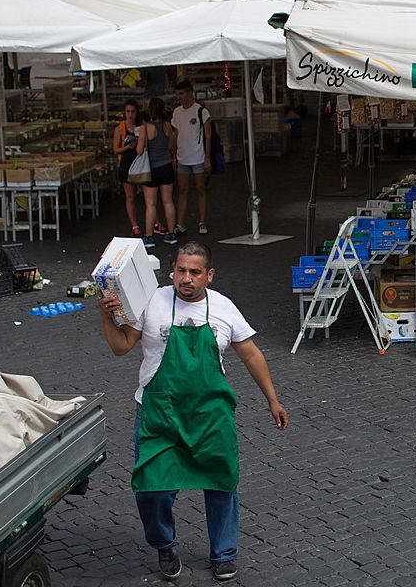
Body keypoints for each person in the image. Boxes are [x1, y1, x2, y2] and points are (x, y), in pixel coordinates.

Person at [97, 241, 288, 582]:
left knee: (222, 483)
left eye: (194, 272)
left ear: (209, 276)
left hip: (210, 415)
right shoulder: (151, 301)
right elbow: (122, 346)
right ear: (173, 271)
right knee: (151, 487)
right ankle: (164, 544)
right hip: (159, 414)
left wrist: (272, 399)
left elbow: (252, 355)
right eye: (180, 271)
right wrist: (105, 314)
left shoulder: (224, 309)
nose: (186, 279)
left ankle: (224, 553)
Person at [171, 80, 213, 236]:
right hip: (182, 157)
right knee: (182, 190)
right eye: (177, 94)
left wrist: (207, 157)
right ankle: (180, 223)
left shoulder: (201, 111)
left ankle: (202, 222)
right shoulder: (176, 112)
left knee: (200, 189)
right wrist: (174, 155)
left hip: (198, 157)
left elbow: (208, 135)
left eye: (181, 94)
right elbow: (175, 134)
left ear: (190, 93)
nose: (179, 97)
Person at [136, 98, 178, 248]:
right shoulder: (168, 127)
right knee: (168, 201)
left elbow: (139, 150)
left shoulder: (145, 128)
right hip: (166, 166)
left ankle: (149, 236)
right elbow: (171, 147)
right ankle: (171, 233)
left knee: (151, 204)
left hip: (151, 169)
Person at [114, 99, 144, 236]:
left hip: (141, 162)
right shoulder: (120, 128)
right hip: (126, 163)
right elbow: (116, 150)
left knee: (147, 195)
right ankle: (134, 225)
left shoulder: (141, 126)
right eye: (128, 111)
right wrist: (128, 147)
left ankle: (154, 221)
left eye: (132, 111)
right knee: (130, 196)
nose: (130, 114)